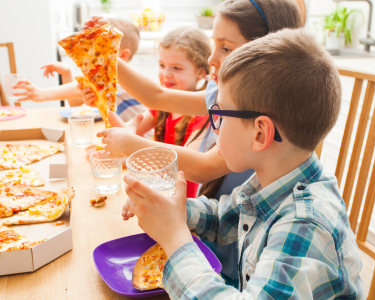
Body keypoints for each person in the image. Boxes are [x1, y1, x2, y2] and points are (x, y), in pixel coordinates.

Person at [122, 28, 364, 299]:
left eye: (220, 114)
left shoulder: (304, 224)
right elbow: (223, 218)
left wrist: (174, 237)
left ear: (260, 133)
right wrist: (171, 210)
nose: (215, 127)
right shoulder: (274, 179)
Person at [86, 0, 303, 287]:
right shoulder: (228, 91)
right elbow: (157, 97)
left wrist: (135, 145)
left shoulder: (263, 113)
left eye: (226, 48)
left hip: (239, 256)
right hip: (223, 223)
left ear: (265, 52)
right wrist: (107, 51)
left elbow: (202, 167)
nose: (212, 59)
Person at [84, 27, 211, 197]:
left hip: (181, 203)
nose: (166, 74)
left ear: (200, 72)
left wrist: (131, 150)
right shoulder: (161, 109)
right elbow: (125, 131)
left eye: (176, 68)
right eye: (162, 65)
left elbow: (190, 163)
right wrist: (102, 105)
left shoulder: (203, 116)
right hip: (155, 191)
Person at [12, 18, 147, 123]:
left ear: (122, 55)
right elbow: (76, 104)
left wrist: (42, 94)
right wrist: (67, 74)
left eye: (101, 50)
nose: (94, 55)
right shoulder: (109, 85)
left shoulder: (124, 82)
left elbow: (89, 84)